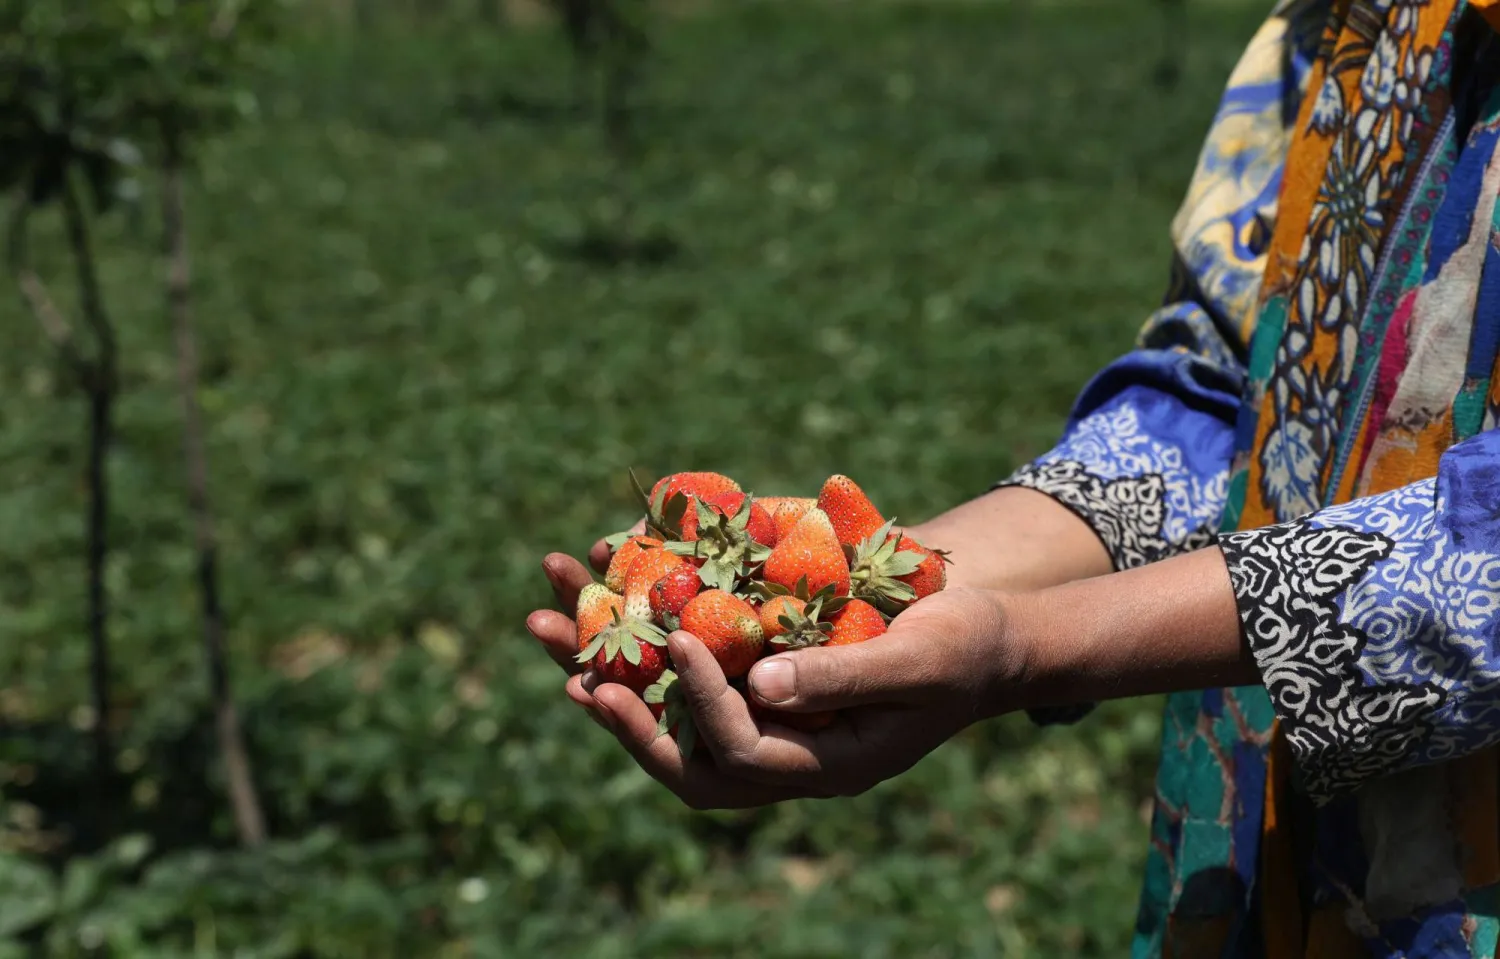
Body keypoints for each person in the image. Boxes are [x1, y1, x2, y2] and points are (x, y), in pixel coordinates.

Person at [527, 0, 1500, 952]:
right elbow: (1221, 385)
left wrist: (1030, 644)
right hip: (1266, 838)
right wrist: (909, 581)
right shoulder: (1334, 21)